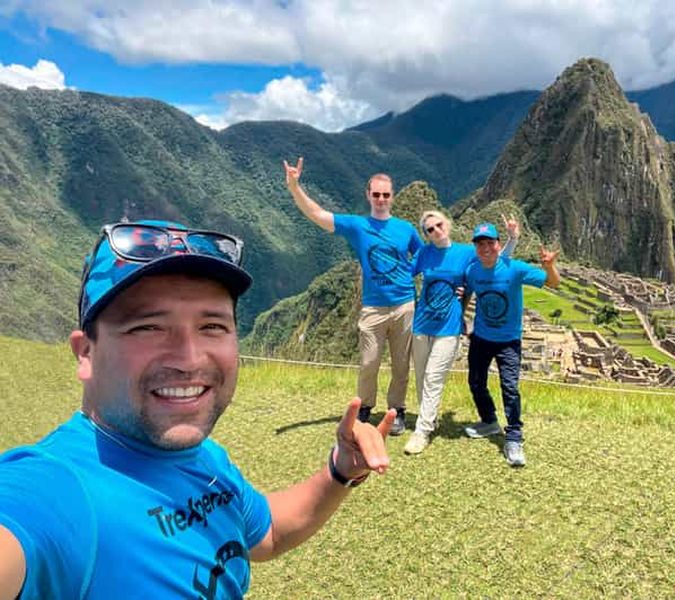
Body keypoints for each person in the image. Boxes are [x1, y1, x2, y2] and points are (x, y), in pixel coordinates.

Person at [0, 220, 395, 599]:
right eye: (148, 327)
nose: (190, 358)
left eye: (212, 327)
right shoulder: (56, 487)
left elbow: (268, 532)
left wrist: (340, 470)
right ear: (86, 353)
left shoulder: (205, 460)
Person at [283, 157, 423, 435]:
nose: (381, 199)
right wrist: (294, 187)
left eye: (386, 194)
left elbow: (422, 257)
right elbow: (319, 215)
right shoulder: (358, 226)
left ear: (392, 197)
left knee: (400, 364)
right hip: (373, 307)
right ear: (368, 195)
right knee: (369, 362)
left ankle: (397, 411)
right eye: (376, 194)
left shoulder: (406, 229)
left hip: (405, 304)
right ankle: (366, 407)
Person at [403, 211, 519, 455]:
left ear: (448, 224)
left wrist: (512, 239)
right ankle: (430, 419)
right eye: (429, 229)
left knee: (434, 378)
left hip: (448, 327)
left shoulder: (466, 252)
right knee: (422, 377)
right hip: (422, 324)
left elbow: (495, 261)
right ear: (426, 235)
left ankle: (422, 431)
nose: (436, 230)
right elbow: (404, 274)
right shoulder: (424, 253)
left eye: (439, 225)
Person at [463, 222, 560, 467]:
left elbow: (552, 283)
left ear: (497, 245)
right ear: (476, 247)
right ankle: (489, 421)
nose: (485, 248)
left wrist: (549, 266)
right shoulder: (473, 271)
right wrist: (462, 322)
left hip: (509, 341)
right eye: (480, 244)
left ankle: (514, 437)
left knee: (510, 388)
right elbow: (465, 294)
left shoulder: (514, 268)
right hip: (481, 338)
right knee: (475, 382)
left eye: (489, 243)